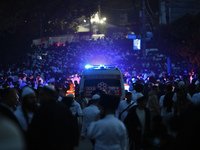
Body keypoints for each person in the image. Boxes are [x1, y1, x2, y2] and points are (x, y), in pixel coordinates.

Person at [27, 85, 79, 150]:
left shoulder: (41, 110)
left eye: (42, 94)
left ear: (48, 95)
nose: (39, 97)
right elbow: (73, 129)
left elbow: (35, 132)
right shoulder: (63, 108)